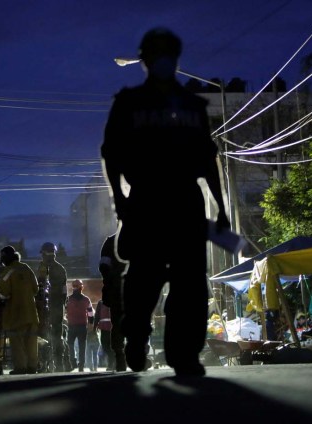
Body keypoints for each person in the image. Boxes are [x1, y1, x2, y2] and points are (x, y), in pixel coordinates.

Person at [100, 27, 230, 376]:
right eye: (156, 55)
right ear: (146, 61)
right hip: (147, 201)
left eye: (168, 55)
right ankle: (137, 337)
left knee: (190, 282)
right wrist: (120, 201)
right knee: (145, 279)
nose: (163, 62)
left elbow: (207, 160)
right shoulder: (129, 103)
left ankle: (183, 353)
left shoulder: (192, 106)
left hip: (186, 203)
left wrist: (221, 209)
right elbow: (111, 155)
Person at [0, 245, 40, 375]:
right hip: (31, 314)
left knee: (17, 341)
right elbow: (36, 289)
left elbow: (3, 294)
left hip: (15, 314)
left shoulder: (8, 271)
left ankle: (20, 367)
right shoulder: (26, 268)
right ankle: (32, 367)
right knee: (31, 340)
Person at [36, 241, 69, 372]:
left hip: (47, 307)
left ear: (45, 253)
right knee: (56, 335)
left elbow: (39, 287)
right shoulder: (60, 268)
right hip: (55, 307)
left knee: (45, 335)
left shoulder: (44, 267)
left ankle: (46, 364)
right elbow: (64, 292)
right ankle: (57, 363)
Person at [98, 233, 128, 371]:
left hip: (116, 290)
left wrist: (110, 281)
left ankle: (120, 355)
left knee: (117, 323)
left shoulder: (110, 242)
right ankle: (133, 353)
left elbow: (103, 266)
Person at [65, 279, 94, 372]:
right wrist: (90, 324)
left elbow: (64, 312)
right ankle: (81, 366)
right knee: (82, 347)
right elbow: (90, 314)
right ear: (82, 287)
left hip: (71, 326)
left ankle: (73, 362)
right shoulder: (86, 299)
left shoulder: (68, 299)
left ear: (73, 287)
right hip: (82, 326)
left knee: (70, 344)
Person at [93, 298, 115, 370]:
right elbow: (97, 315)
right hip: (104, 328)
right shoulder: (100, 302)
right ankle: (112, 362)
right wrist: (95, 327)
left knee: (112, 346)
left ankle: (111, 364)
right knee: (105, 346)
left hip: (113, 328)